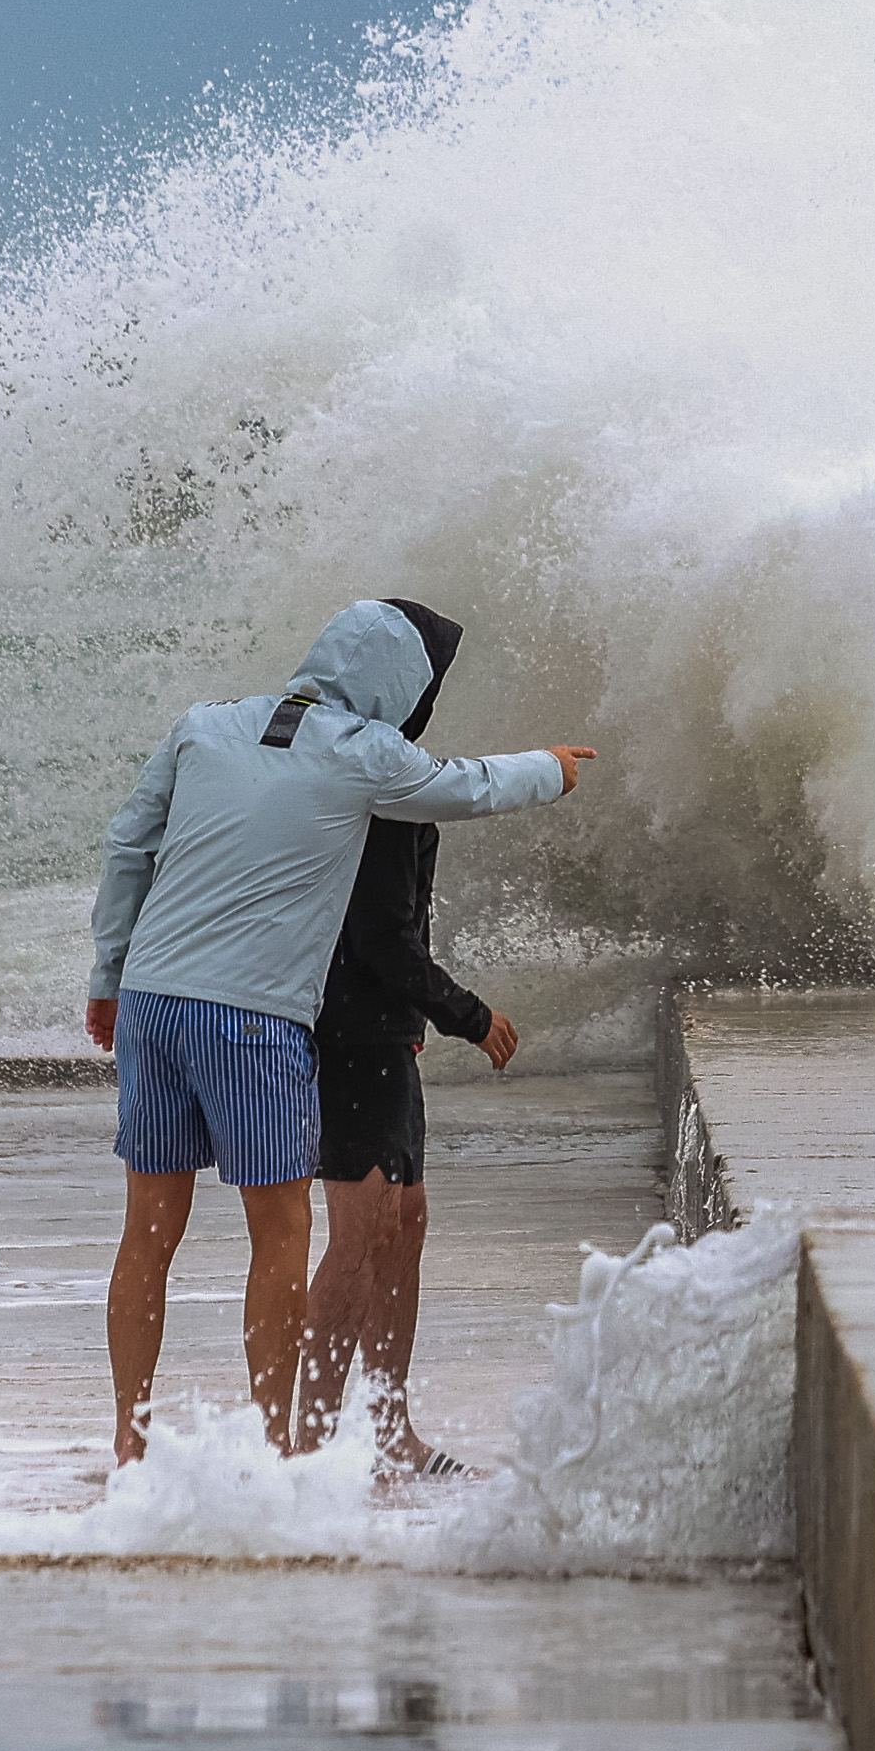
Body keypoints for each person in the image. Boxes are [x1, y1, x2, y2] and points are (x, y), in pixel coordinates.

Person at [86, 599, 590, 1464]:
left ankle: (129, 1446)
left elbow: (129, 843)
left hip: (154, 999)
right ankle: (280, 1450)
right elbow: (468, 783)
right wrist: (549, 767)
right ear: (394, 687)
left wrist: (108, 978)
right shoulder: (361, 752)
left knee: (148, 1233)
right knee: (280, 1233)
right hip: (251, 1017)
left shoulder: (205, 725)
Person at [293, 598, 519, 1474]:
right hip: (349, 1033)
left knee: (405, 1220)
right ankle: (306, 1449)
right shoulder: (383, 789)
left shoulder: (381, 772)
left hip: (380, 1036)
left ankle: (391, 1432)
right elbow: (383, 940)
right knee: (358, 1232)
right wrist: (469, 1014)